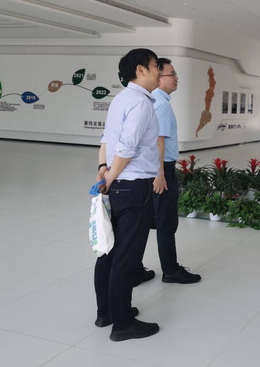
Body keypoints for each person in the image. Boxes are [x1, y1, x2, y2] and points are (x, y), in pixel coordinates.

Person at [94, 48, 161, 342]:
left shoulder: (120, 99)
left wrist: (103, 170)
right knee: (126, 257)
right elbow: (127, 147)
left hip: (118, 185)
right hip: (133, 187)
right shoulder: (141, 103)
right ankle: (122, 324)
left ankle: (106, 312)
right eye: (156, 66)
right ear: (141, 70)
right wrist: (109, 176)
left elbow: (106, 141)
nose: (159, 71)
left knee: (109, 252)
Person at [136, 58, 201, 284]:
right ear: (160, 78)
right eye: (171, 74)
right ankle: (170, 270)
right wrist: (161, 174)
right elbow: (158, 140)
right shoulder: (161, 104)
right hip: (162, 169)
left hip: (150, 168)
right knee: (166, 222)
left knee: (144, 221)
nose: (176, 78)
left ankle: (135, 268)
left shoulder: (152, 100)